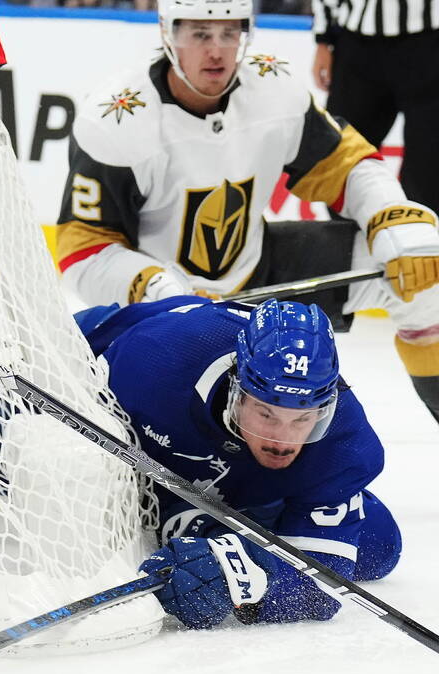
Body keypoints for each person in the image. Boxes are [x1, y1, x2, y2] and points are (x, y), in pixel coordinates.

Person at [55, 0, 439, 424]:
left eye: (229, 32)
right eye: (199, 34)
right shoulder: (118, 120)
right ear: (167, 34)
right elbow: (84, 250)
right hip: (160, 308)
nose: (216, 50)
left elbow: (345, 165)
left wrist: (391, 213)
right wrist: (158, 289)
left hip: (260, 270)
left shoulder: (272, 87)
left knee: (427, 279)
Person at [77, 296, 400, 629]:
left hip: (227, 470)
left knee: (379, 543)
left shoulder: (344, 442)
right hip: (106, 340)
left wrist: (243, 574)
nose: (283, 439)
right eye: (266, 413)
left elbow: (323, 586)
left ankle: (237, 514)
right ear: (237, 389)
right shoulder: (153, 361)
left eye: (303, 419)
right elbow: (68, 387)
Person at [311, 0, 439, 213]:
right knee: (342, 159)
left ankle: (424, 242)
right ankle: (346, 243)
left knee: (428, 170)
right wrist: (323, 39)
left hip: (431, 42)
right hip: (358, 45)